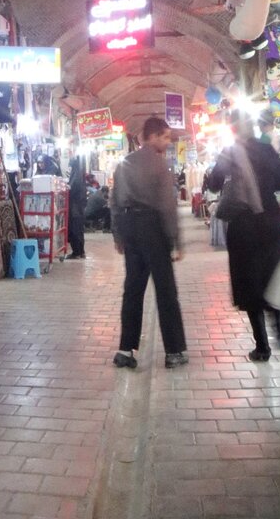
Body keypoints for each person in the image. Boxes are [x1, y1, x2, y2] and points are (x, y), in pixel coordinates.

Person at [207, 111, 280, 361]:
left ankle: (262, 346)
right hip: (271, 220)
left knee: (249, 282)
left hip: (244, 224)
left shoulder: (230, 152)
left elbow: (213, 184)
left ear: (232, 129)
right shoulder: (268, 150)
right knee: (274, 276)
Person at [110, 115, 188, 369]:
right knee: (165, 290)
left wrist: (118, 235)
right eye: (164, 137)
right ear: (152, 136)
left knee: (133, 289)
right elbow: (167, 206)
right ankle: (174, 351)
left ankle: (125, 350)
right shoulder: (158, 164)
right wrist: (176, 240)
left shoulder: (124, 164)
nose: (167, 142)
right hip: (153, 229)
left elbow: (115, 201)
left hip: (130, 228)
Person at [66, 155, 86, 259]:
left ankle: (77, 252)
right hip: (79, 207)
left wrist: (67, 187)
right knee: (79, 230)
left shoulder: (76, 175)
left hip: (75, 208)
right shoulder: (79, 174)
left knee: (75, 229)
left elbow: (72, 188)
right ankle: (81, 251)